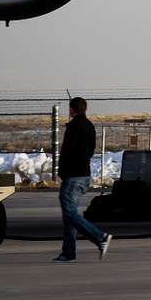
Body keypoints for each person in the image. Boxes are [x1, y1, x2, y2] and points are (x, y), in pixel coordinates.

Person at [55, 97, 113, 261]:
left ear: (72, 109)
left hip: (73, 175)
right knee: (70, 215)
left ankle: (100, 237)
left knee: (70, 213)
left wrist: (64, 170)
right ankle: (68, 252)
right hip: (83, 173)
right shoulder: (89, 126)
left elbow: (69, 151)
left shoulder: (74, 127)